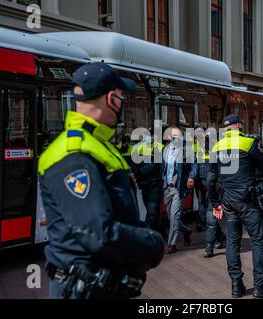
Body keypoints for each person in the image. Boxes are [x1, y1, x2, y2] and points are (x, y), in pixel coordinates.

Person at [38, 62, 164, 299]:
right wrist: (152, 242)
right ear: (111, 99)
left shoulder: (98, 144)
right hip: (83, 290)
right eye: (120, 96)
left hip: (104, 287)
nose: (121, 102)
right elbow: (98, 233)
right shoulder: (73, 154)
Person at [209, 114, 263, 299]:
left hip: (227, 201)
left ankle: (236, 286)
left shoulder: (216, 146)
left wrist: (215, 203)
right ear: (239, 126)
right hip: (246, 200)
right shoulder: (248, 143)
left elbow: (211, 179)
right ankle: (260, 287)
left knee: (232, 243)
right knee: (259, 240)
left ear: (226, 129)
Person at [162, 127, 198, 254]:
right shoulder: (165, 149)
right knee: (170, 217)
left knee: (174, 215)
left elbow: (194, 164)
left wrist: (191, 177)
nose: (177, 137)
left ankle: (172, 244)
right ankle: (186, 230)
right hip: (167, 187)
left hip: (179, 188)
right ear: (169, 137)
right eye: (175, 135)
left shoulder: (185, 149)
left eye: (179, 135)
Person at [132, 130, 165, 237]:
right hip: (143, 183)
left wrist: (138, 172)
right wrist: (135, 171)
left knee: (152, 211)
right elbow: (134, 162)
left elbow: (154, 164)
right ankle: (161, 231)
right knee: (150, 210)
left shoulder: (159, 147)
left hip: (155, 183)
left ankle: (150, 235)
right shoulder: (138, 147)